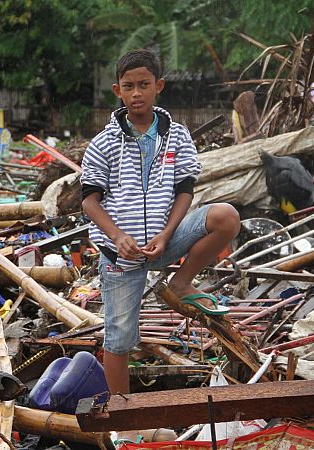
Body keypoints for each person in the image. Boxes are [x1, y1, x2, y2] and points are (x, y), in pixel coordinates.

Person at [80, 50, 241, 397]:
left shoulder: (177, 136)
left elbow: (185, 190)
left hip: (166, 241)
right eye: (128, 86)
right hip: (120, 253)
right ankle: (121, 414)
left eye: (144, 85)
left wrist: (168, 235)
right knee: (119, 336)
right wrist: (117, 235)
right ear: (117, 91)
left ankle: (181, 284)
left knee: (225, 216)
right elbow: (89, 200)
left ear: (159, 86)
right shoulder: (103, 143)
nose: (136, 93)